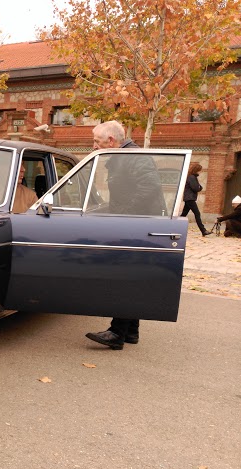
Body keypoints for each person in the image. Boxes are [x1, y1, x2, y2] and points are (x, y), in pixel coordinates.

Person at [85, 120, 163, 350]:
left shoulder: (134, 156)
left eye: (97, 141)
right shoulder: (123, 157)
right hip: (133, 223)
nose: (94, 146)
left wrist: (124, 213)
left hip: (137, 225)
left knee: (125, 277)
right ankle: (131, 331)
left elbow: (150, 187)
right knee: (130, 276)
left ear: (111, 141)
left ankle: (117, 333)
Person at [181, 162, 212, 236]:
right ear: (196, 170)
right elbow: (196, 188)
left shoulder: (191, 177)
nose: (200, 172)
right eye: (199, 170)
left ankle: (174, 226)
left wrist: (199, 187)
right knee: (197, 213)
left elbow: (197, 187)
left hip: (189, 198)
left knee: (183, 215)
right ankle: (203, 230)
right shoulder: (192, 177)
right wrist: (199, 187)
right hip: (190, 198)